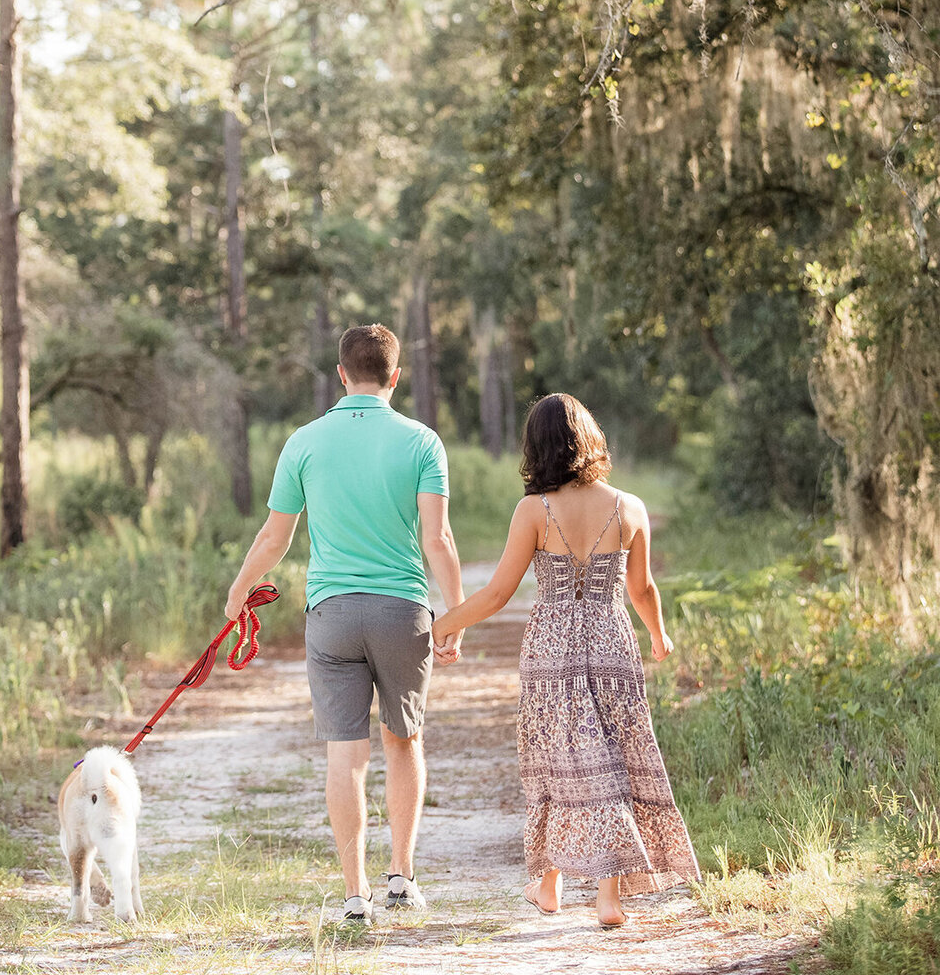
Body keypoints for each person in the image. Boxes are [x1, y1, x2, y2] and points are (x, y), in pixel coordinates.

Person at [225, 322, 465, 925]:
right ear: (395, 375)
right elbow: (436, 538)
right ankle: (402, 878)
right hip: (401, 611)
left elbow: (275, 536)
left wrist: (238, 591)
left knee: (344, 752)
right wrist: (455, 611)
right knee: (403, 740)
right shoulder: (422, 441)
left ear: (340, 374)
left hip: (330, 615)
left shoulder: (304, 441)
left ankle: (355, 894)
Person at [432, 392, 699, 930]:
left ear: (538, 447)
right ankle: (604, 897)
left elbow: (500, 592)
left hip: (551, 645)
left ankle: (551, 882)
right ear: (590, 439)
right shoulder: (630, 507)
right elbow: (641, 588)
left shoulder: (534, 510)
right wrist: (659, 634)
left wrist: (445, 623)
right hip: (610, 641)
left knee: (555, 758)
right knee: (613, 757)